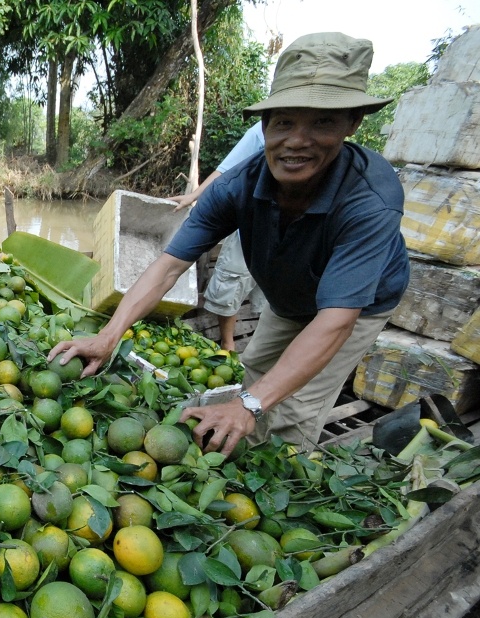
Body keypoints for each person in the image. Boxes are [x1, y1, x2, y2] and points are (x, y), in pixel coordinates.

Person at [50, 32, 409, 454]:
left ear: (352, 124)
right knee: (256, 368)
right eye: (284, 122)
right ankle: (242, 441)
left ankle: (280, 481)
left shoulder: (370, 200)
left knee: (295, 409)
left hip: (353, 307)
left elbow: (335, 322)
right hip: (289, 294)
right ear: (264, 125)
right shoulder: (236, 187)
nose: (297, 140)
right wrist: (111, 334)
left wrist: (249, 405)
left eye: (322, 122)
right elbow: (167, 265)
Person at [168, 123, 266, 350]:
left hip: (286, 236)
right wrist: (193, 195)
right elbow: (226, 169)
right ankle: (228, 344)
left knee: (269, 298)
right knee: (231, 285)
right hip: (250, 227)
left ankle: (258, 347)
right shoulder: (260, 131)